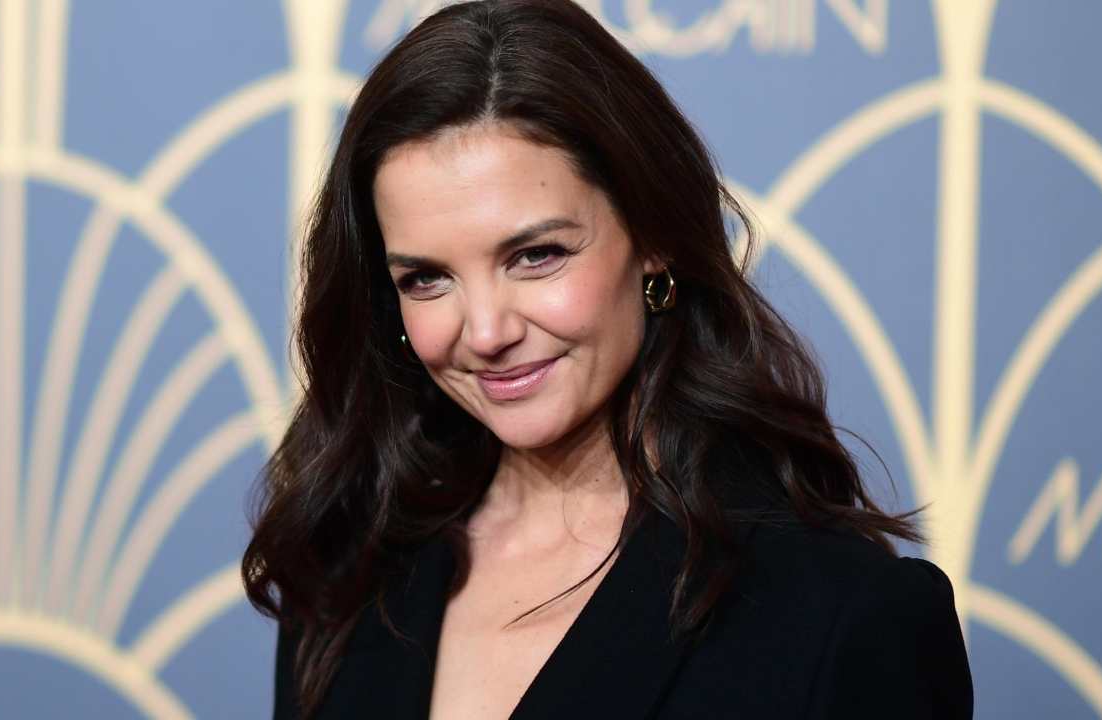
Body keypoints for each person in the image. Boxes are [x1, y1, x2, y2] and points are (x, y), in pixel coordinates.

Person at [241, 0, 973, 718]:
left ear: (654, 236)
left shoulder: (842, 615)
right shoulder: (349, 572)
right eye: (427, 279)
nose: (486, 331)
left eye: (536, 255)